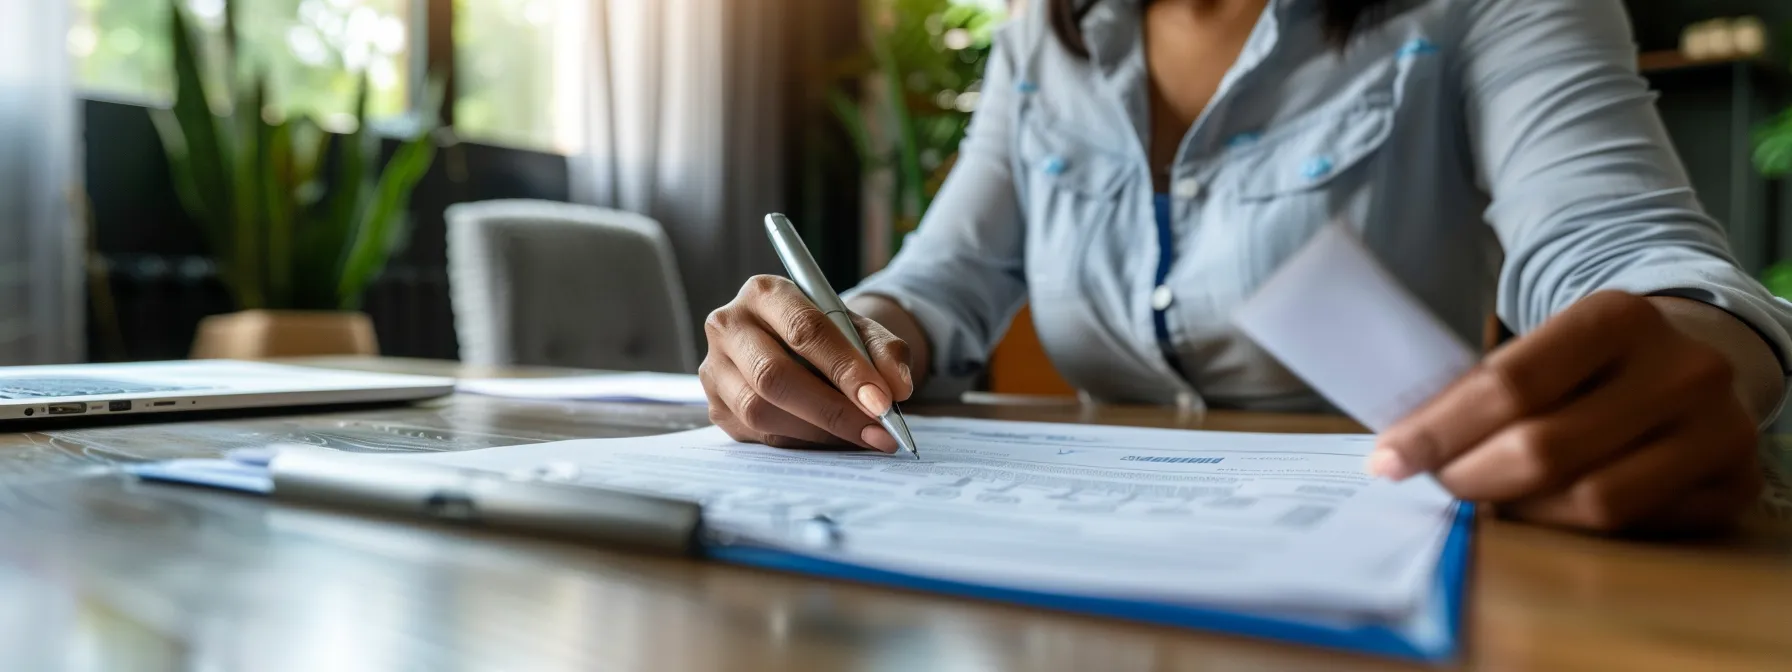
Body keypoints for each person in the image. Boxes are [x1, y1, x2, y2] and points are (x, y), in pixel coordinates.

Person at [699, 0, 1792, 534]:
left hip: (1393, 545)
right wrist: (845, 333)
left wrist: (1699, 340)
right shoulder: (1046, 30)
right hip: (1084, 561)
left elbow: (1627, 249)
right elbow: (943, 276)